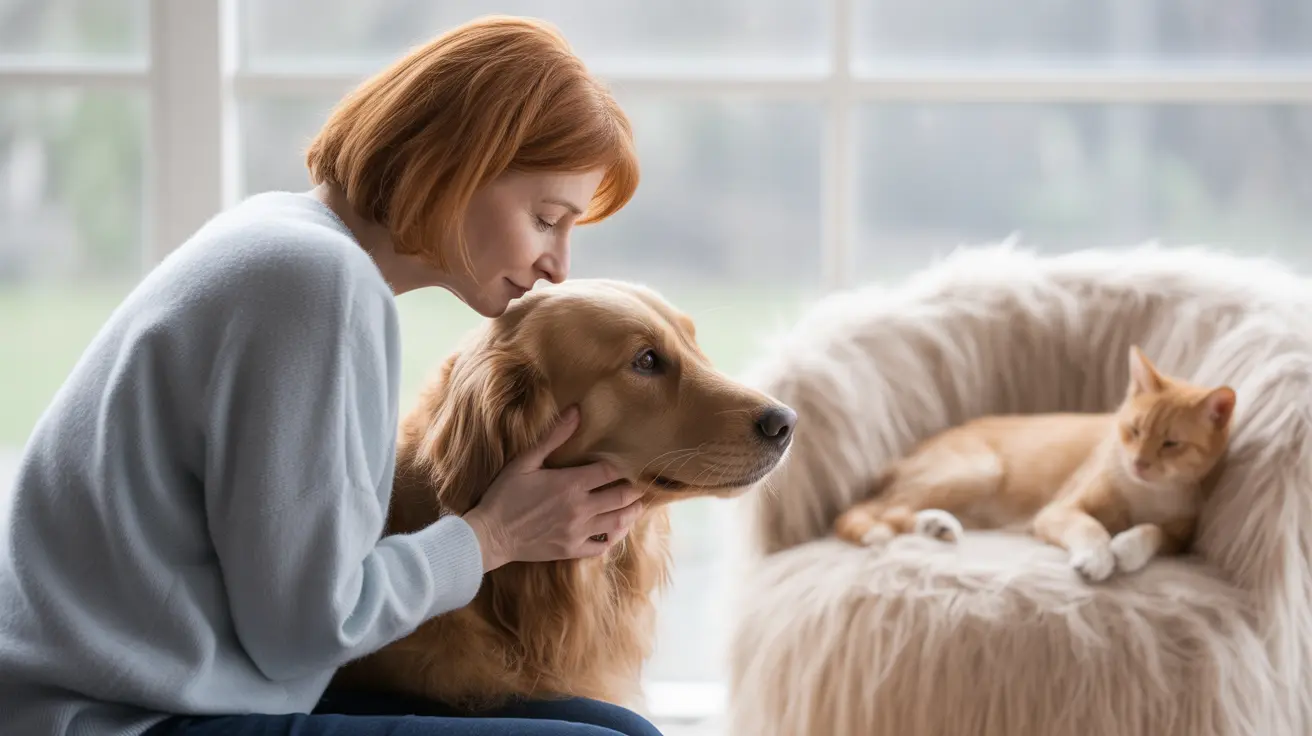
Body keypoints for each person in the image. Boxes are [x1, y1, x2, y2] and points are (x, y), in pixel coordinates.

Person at [0, 15, 664, 736]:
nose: (557, 266)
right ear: (459, 165)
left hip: (144, 692)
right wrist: (493, 536)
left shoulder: (282, 238)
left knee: (619, 730)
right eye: (546, 218)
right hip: (121, 718)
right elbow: (304, 629)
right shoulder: (318, 284)